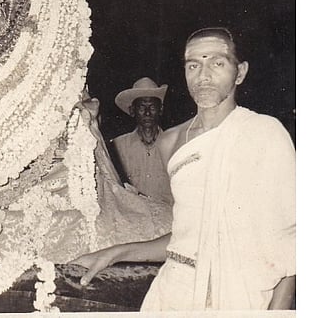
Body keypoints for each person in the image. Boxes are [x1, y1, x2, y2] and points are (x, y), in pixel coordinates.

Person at [71, 27, 296, 311]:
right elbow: (186, 238)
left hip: (241, 295)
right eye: (193, 65)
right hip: (174, 292)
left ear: (240, 72)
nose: (203, 75)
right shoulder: (171, 142)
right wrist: (115, 253)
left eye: (217, 63)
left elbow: (291, 243)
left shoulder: (266, 133)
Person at [110, 77, 173, 204]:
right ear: (132, 111)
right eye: (141, 107)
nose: (147, 113)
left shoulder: (176, 145)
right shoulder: (117, 147)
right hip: (133, 220)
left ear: (160, 110)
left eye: (152, 107)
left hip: (168, 219)